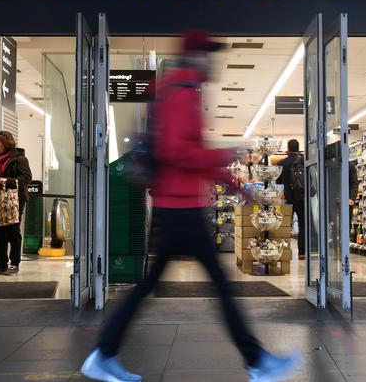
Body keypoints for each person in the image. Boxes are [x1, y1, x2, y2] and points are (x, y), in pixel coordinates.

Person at [81, 30, 301, 382]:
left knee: (154, 285)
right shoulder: (182, 93)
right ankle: (257, 360)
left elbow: (193, 155)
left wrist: (239, 186)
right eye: (208, 55)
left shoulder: (181, 90)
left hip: (176, 206)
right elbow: (178, 152)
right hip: (181, 209)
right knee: (218, 285)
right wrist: (224, 154)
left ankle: (104, 352)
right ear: (194, 57)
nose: (213, 62)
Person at [0, 131, 32, 276]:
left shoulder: (19, 159)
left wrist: (8, 181)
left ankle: (14, 263)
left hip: (13, 200)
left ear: (6, 143)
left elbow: (26, 177)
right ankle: (1, 263)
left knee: (12, 231)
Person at [277, 139, 307, 259]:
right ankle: (302, 253)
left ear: (288, 149)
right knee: (302, 225)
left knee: (285, 225)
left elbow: (278, 182)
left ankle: (284, 252)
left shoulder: (281, 164)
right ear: (298, 148)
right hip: (301, 197)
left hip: (287, 199)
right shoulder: (304, 161)